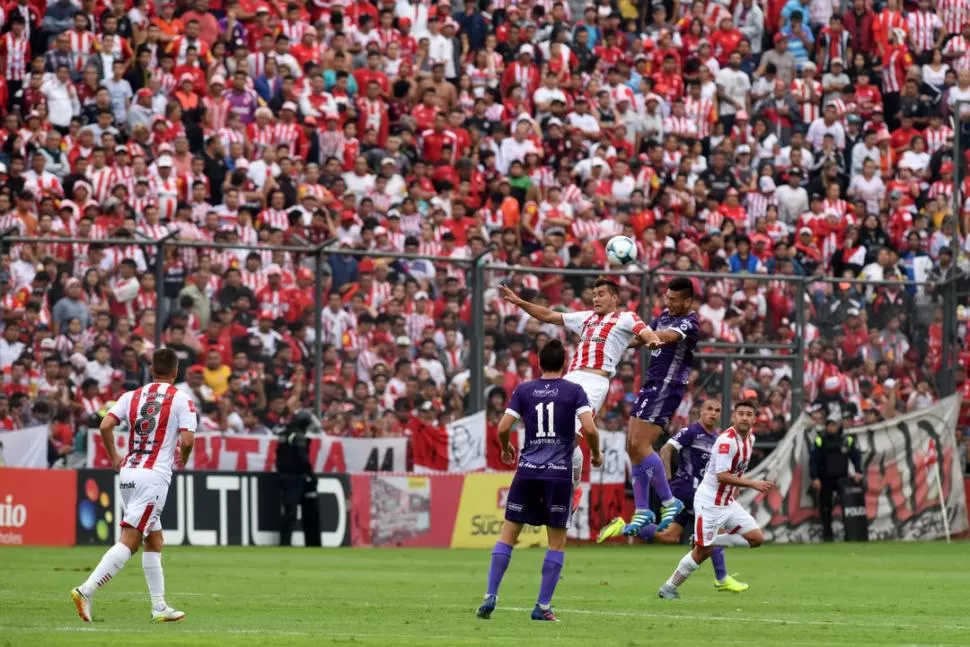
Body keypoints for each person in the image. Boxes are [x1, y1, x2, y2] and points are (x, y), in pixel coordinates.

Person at [498, 279, 659, 511]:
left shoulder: (626, 318)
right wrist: (519, 302)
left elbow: (645, 333)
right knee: (553, 433)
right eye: (594, 294)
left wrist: (653, 341)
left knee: (569, 436)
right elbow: (548, 315)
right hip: (570, 378)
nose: (596, 298)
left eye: (601, 294)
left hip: (594, 381)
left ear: (615, 298)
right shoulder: (585, 318)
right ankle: (564, 485)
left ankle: (571, 490)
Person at [475, 339, 603, 622]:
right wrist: (595, 453)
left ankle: (490, 595)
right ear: (565, 363)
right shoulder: (574, 390)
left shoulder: (525, 389)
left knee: (508, 536)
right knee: (556, 543)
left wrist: (506, 447)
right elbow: (590, 429)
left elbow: (503, 426)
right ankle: (542, 606)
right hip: (558, 474)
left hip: (528, 469)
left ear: (539, 363)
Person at [70, 348, 197, 623]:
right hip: (153, 477)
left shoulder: (131, 396)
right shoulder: (182, 399)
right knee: (130, 540)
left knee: (154, 539)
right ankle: (86, 590)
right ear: (176, 372)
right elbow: (187, 441)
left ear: (152, 370)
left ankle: (159, 607)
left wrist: (114, 455)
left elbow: (105, 425)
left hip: (128, 474)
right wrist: (183, 458)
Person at [597, 398, 749, 592]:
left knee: (669, 536)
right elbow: (666, 449)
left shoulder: (717, 439)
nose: (713, 413)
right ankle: (722, 578)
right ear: (700, 412)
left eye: (717, 410)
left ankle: (623, 527)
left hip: (699, 493)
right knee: (715, 531)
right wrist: (667, 481)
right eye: (709, 409)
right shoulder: (692, 432)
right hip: (686, 490)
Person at [657, 400, 772, 599]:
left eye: (748, 414)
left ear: (754, 419)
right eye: (740, 413)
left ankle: (707, 541)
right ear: (733, 417)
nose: (744, 417)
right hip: (709, 502)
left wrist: (735, 488)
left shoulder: (750, 439)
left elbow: (736, 470)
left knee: (756, 539)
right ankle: (669, 587)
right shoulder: (726, 440)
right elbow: (722, 476)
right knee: (700, 552)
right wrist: (752, 483)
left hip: (727, 502)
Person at [620, 277, 699, 536]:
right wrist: (617, 342)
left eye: (674, 299)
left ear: (688, 301)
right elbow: (643, 338)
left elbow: (665, 337)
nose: (669, 302)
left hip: (668, 386)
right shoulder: (664, 315)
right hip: (652, 383)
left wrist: (646, 334)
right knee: (632, 446)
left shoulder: (691, 322)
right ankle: (642, 509)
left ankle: (669, 501)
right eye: (667, 297)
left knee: (642, 445)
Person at [809, 413, 864, 541]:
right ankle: (828, 536)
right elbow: (813, 461)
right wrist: (815, 477)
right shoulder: (820, 440)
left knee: (848, 507)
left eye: (834, 425)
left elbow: (856, 456)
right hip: (825, 479)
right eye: (830, 425)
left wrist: (858, 471)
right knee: (825, 508)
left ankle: (851, 534)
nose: (832, 428)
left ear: (839, 426)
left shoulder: (847, 440)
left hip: (843, 479)